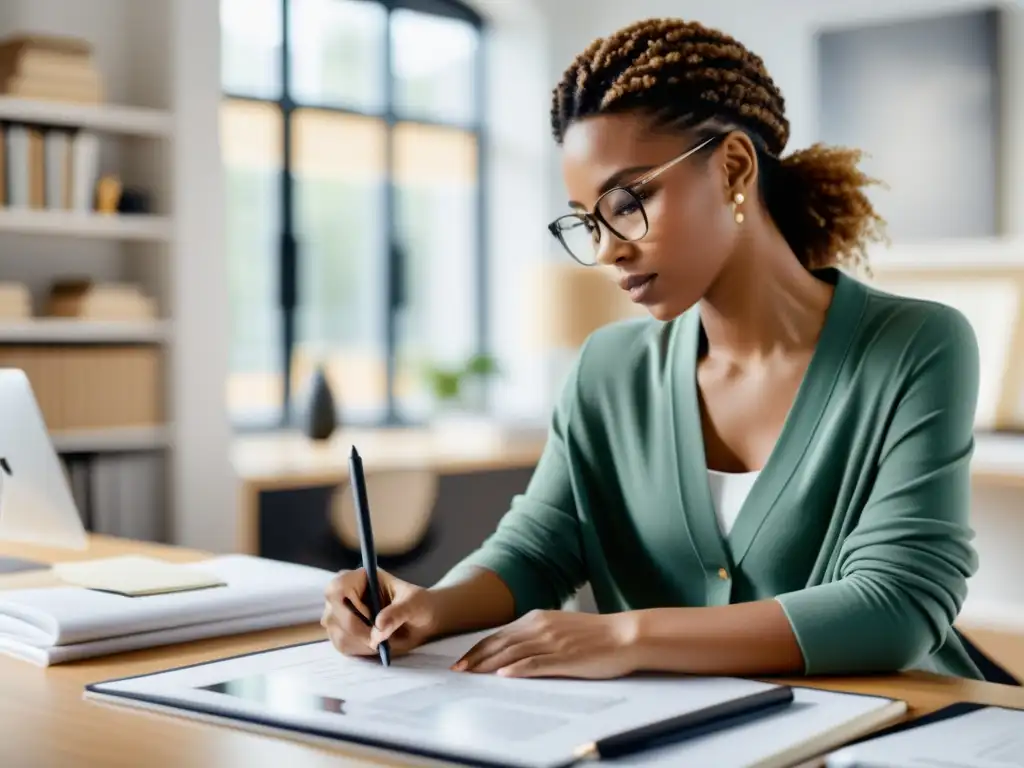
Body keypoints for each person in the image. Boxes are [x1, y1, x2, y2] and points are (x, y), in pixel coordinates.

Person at [322, 17, 989, 682]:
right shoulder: (607, 370)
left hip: (898, 733)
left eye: (629, 199)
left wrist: (628, 636)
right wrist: (431, 607)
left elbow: (897, 605)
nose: (608, 247)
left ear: (732, 168)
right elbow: (538, 549)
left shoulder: (915, 348)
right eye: (589, 220)